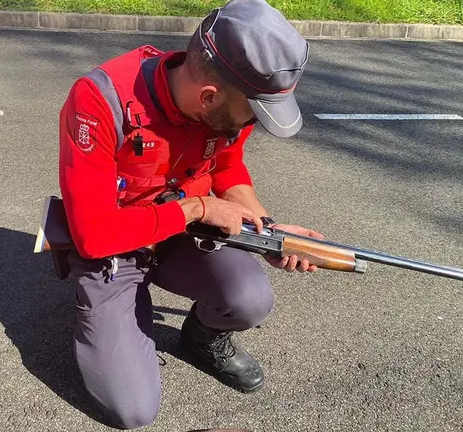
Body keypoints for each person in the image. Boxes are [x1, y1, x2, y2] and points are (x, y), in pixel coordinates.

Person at [56, 0, 324, 428]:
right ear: (209, 97)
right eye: (253, 112)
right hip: (116, 244)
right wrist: (197, 207)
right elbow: (93, 235)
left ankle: (201, 339)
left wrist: (269, 231)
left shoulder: (227, 108)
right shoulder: (99, 100)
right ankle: (104, 312)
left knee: (250, 298)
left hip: (185, 234)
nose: (253, 122)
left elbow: (227, 167)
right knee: (133, 410)